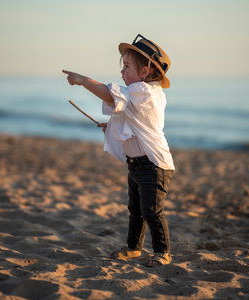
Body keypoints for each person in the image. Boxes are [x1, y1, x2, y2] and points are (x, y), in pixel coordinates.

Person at [62, 34, 174, 267]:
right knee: (136, 210)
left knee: (151, 210)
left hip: (154, 165)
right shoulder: (138, 95)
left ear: (145, 71)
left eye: (126, 66)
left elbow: (110, 95)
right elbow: (130, 120)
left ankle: (163, 252)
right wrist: (109, 126)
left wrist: (83, 80)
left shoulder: (145, 92)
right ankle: (134, 249)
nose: (122, 72)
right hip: (137, 164)